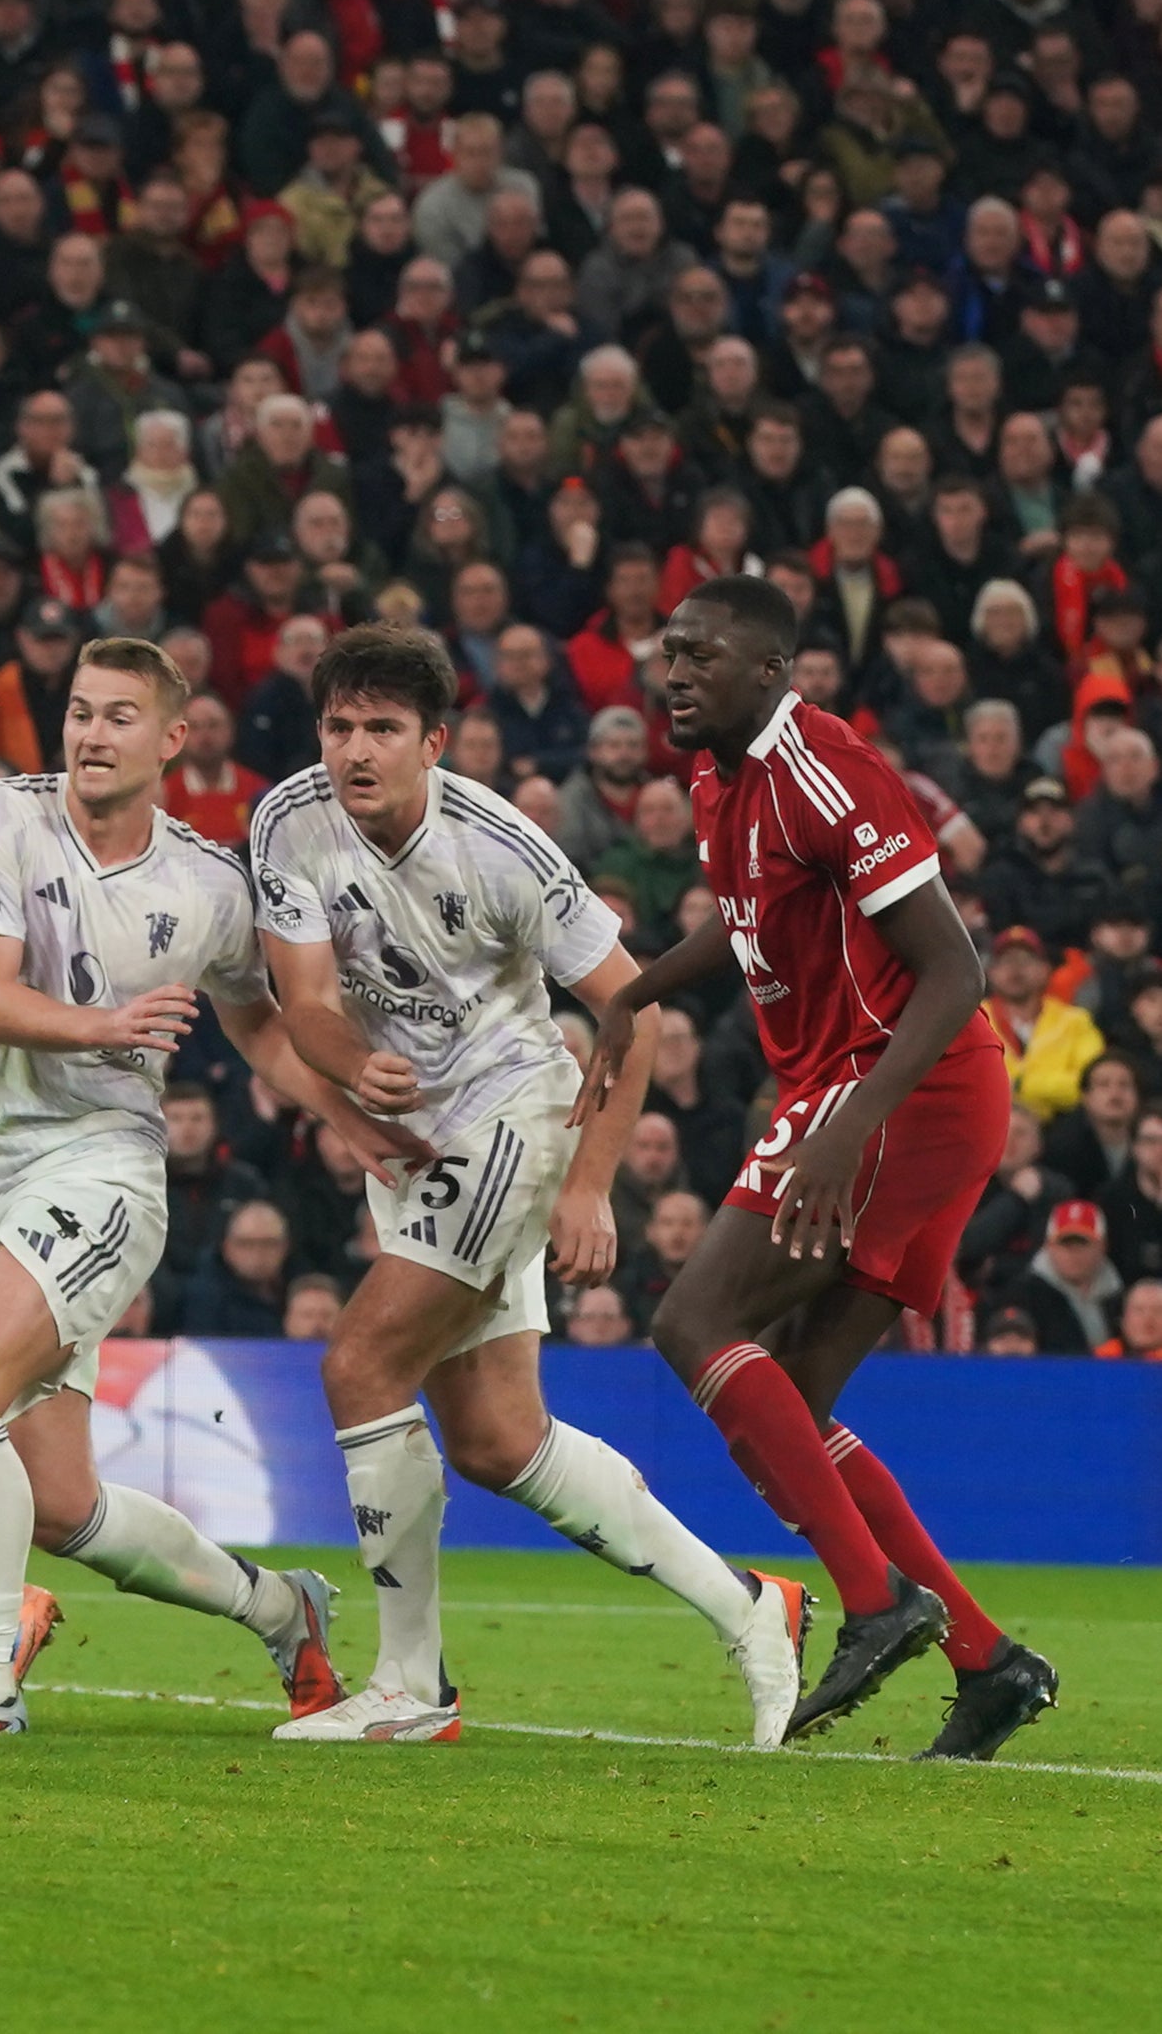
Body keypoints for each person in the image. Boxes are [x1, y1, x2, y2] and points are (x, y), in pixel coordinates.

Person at [248, 624, 804, 1748]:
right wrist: (356, 1071)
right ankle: (754, 1607)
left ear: (434, 742)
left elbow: (632, 1008)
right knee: (500, 1441)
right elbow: (299, 993)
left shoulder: (501, 849)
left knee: (360, 1365)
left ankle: (410, 1686)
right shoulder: (286, 819)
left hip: (509, 1113)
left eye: (382, 730)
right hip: (413, 1142)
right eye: (339, 725)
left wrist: (592, 1181)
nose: (355, 750)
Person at [0, 636, 404, 1738]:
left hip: (102, 1166)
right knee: (62, 1506)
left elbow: (261, 1031)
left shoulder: (207, 884)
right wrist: (105, 1023)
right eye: (78, 711)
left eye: (118, 716)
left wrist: (355, 1118)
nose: (90, 734)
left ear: (172, 739)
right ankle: (280, 1606)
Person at [580, 576, 1059, 1760]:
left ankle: (879, 1600)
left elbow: (955, 971)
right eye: (669, 650)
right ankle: (988, 1660)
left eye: (701, 654)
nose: (674, 671)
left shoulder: (826, 771)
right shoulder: (717, 773)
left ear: (771, 672)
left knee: (694, 1319)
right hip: (874, 1088)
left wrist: (848, 1128)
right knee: (790, 1390)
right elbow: (746, 919)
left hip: (906, 1082)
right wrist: (634, 989)